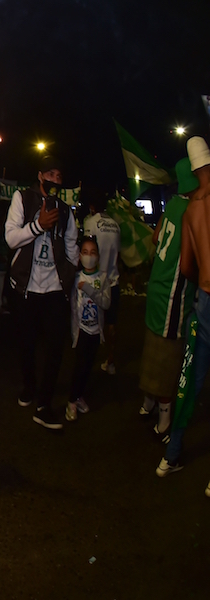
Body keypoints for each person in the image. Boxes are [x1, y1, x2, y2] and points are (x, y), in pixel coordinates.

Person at [4, 156, 78, 430]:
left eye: (59, 176)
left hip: (55, 291)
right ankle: (29, 386)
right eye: (50, 174)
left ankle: (44, 404)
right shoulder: (22, 199)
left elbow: (71, 247)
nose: (55, 179)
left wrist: (68, 277)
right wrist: (38, 226)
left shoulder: (67, 211)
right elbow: (10, 238)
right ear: (40, 176)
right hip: (25, 289)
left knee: (55, 349)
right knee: (26, 344)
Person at [158, 136, 210, 485]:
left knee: (190, 383)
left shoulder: (193, 209)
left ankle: (171, 455)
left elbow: (188, 267)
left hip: (204, 301)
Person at [139, 158, 197, 440]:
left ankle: (147, 403)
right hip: (173, 295)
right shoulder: (191, 210)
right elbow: (187, 265)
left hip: (156, 288)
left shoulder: (174, 204)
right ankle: (164, 418)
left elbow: (155, 239)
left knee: (151, 349)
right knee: (168, 359)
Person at [66, 237, 111, 421]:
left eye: (93, 252)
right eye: (85, 252)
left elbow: (106, 303)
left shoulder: (102, 278)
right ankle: (71, 401)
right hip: (82, 331)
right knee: (80, 366)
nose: (89, 256)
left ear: (98, 256)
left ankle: (78, 397)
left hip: (95, 331)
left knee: (88, 367)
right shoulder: (75, 278)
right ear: (79, 255)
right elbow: (70, 306)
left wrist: (90, 290)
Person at [83, 195, 121, 375]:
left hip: (96, 280)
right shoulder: (116, 225)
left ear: (92, 206)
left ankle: (88, 359)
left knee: (91, 323)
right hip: (113, 280)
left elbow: (87, 250)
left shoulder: (91, 223)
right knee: (111, 323)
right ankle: (111, 360)